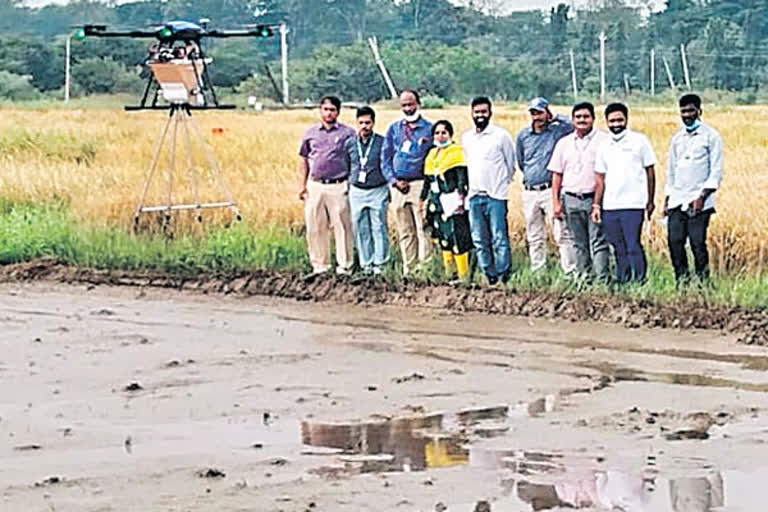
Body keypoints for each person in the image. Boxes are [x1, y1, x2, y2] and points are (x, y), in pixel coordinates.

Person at [593, 102, 657, 284]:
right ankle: (623, 281)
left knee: (633, 245)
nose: (616, 124)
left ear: (626, 120)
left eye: (620, 120)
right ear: (606, 122)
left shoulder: (640, 141)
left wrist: (650, 201)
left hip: (633, 204)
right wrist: (597, 204)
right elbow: (600, 178)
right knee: (618, 247)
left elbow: (650, 172)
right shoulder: (604, 146)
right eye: (612, 121)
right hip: (611, 205)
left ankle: (639, 281)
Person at [664, 93, 723, 284]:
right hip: (677, 199)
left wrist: (702, 197)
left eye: (691, 110)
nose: (687, 115)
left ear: (699, 111)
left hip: (700, 200)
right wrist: (667, 199)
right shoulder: (677, 138)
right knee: (675, 242)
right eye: (683, 111)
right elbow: (671, 170)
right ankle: (682, 281)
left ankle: (703, 282)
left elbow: (716, 171)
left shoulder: (711, 136)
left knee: (697, 242)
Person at [549, 102, 610, 281]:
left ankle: (602, 280)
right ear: (572, 120)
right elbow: (556, 175)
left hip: (595, 199)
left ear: (593, 119)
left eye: (586, 117)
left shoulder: (604, 141)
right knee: (578, 242)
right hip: (571, 198)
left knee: (598, 241)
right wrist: (556, 202)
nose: (582, 120)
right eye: (578, 117)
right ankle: (584, 278)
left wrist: (598, 201)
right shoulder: (564, 143)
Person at [516, 97, 576, 273]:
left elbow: (573, 124)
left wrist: (555, 116)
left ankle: (569, 270)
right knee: (534, 235)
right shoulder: (523, 135)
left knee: (561, 233)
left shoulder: (556, 132)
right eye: (533, 113)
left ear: (547, 113)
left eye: (540, 112)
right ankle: (538, 270)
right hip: (530, 190)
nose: (537, 117)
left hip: (551, 190)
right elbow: (521, 161)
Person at [298, 95, 356, 277]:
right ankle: (320, 266)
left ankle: (345, 267)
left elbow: (354, 160)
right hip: (315, 185)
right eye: (325, 109)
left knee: (342, 226)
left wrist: (350, 184)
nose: (328, 113)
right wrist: (302, 185)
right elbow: (303, 159)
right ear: (320, 110)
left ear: (338, 112)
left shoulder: (348, 133)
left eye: (332, 110)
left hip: (339, 184)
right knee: (315, 226)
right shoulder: (311, 133)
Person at [462, 96, 516, 285]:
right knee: (479, 239)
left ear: (490, 113)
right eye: (477, 112)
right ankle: (489, 275)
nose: (480, 116)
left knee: (499, 237)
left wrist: (501, 184)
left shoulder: (501, 136)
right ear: (472, 114)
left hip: (496, 196)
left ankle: (503, 275)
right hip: (475, 196)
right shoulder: (467, 138)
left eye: (484, 112)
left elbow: (510, 165)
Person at [381, 89, 433, 276]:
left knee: (423, 229)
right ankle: (408, 270)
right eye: (404, 105)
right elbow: (385, 158)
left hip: (419, 185)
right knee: (405, 231)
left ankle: (425, 269)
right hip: (398, 187)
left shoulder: (429, 128)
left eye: (411, 104)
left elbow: (434, 157)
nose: (408, 108)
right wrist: (393, 181)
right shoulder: (394, 129)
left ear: (418, 104)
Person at [421, 120, 471, 279]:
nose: (440, 136)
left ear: (450, 134)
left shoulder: (456, 152)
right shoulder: (431, 155)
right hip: (436, 203)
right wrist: (423, 200)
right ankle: (450, 274)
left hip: (452, 202)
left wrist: (460, 198)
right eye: (437, 133)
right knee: (443, 238)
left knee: (457, 236)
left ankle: (463, 274)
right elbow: (427, 182)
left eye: (444, 133)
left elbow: (462, 178)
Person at [346, 106, 390, 276]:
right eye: (361, 123)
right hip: (357, 190)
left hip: (377, 189)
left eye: (368, 123)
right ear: (357, 123)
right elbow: (347, 165)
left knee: (379, 227)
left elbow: (386, 164)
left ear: (373, 123)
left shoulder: (382, 141)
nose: (365, 126)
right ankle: (367, 264)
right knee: (361, 227)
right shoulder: (350, 143)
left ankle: (380, 264)